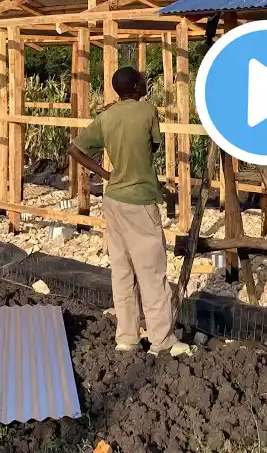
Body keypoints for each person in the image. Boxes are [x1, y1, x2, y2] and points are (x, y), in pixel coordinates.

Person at [69, 67, 191, 357]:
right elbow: (155, 147)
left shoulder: (107, 116)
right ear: (136, 86)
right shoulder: (147, 111)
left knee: (122, 271)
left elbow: (74, 149)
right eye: (142, 80)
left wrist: (105, 173)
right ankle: (162, 341)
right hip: (140, 201)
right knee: (152, 272)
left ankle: (127, 337)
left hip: (113, 201)